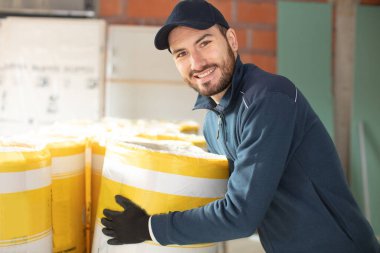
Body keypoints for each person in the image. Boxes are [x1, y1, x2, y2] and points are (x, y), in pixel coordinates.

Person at [101, 1, 380, 252]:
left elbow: (239, 215)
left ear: (231, 40)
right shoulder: (213, 120)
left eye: (205, 43)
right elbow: (218, 195)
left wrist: (150, 227)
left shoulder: (269, 99)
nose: (196, 62)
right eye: (181, 53)